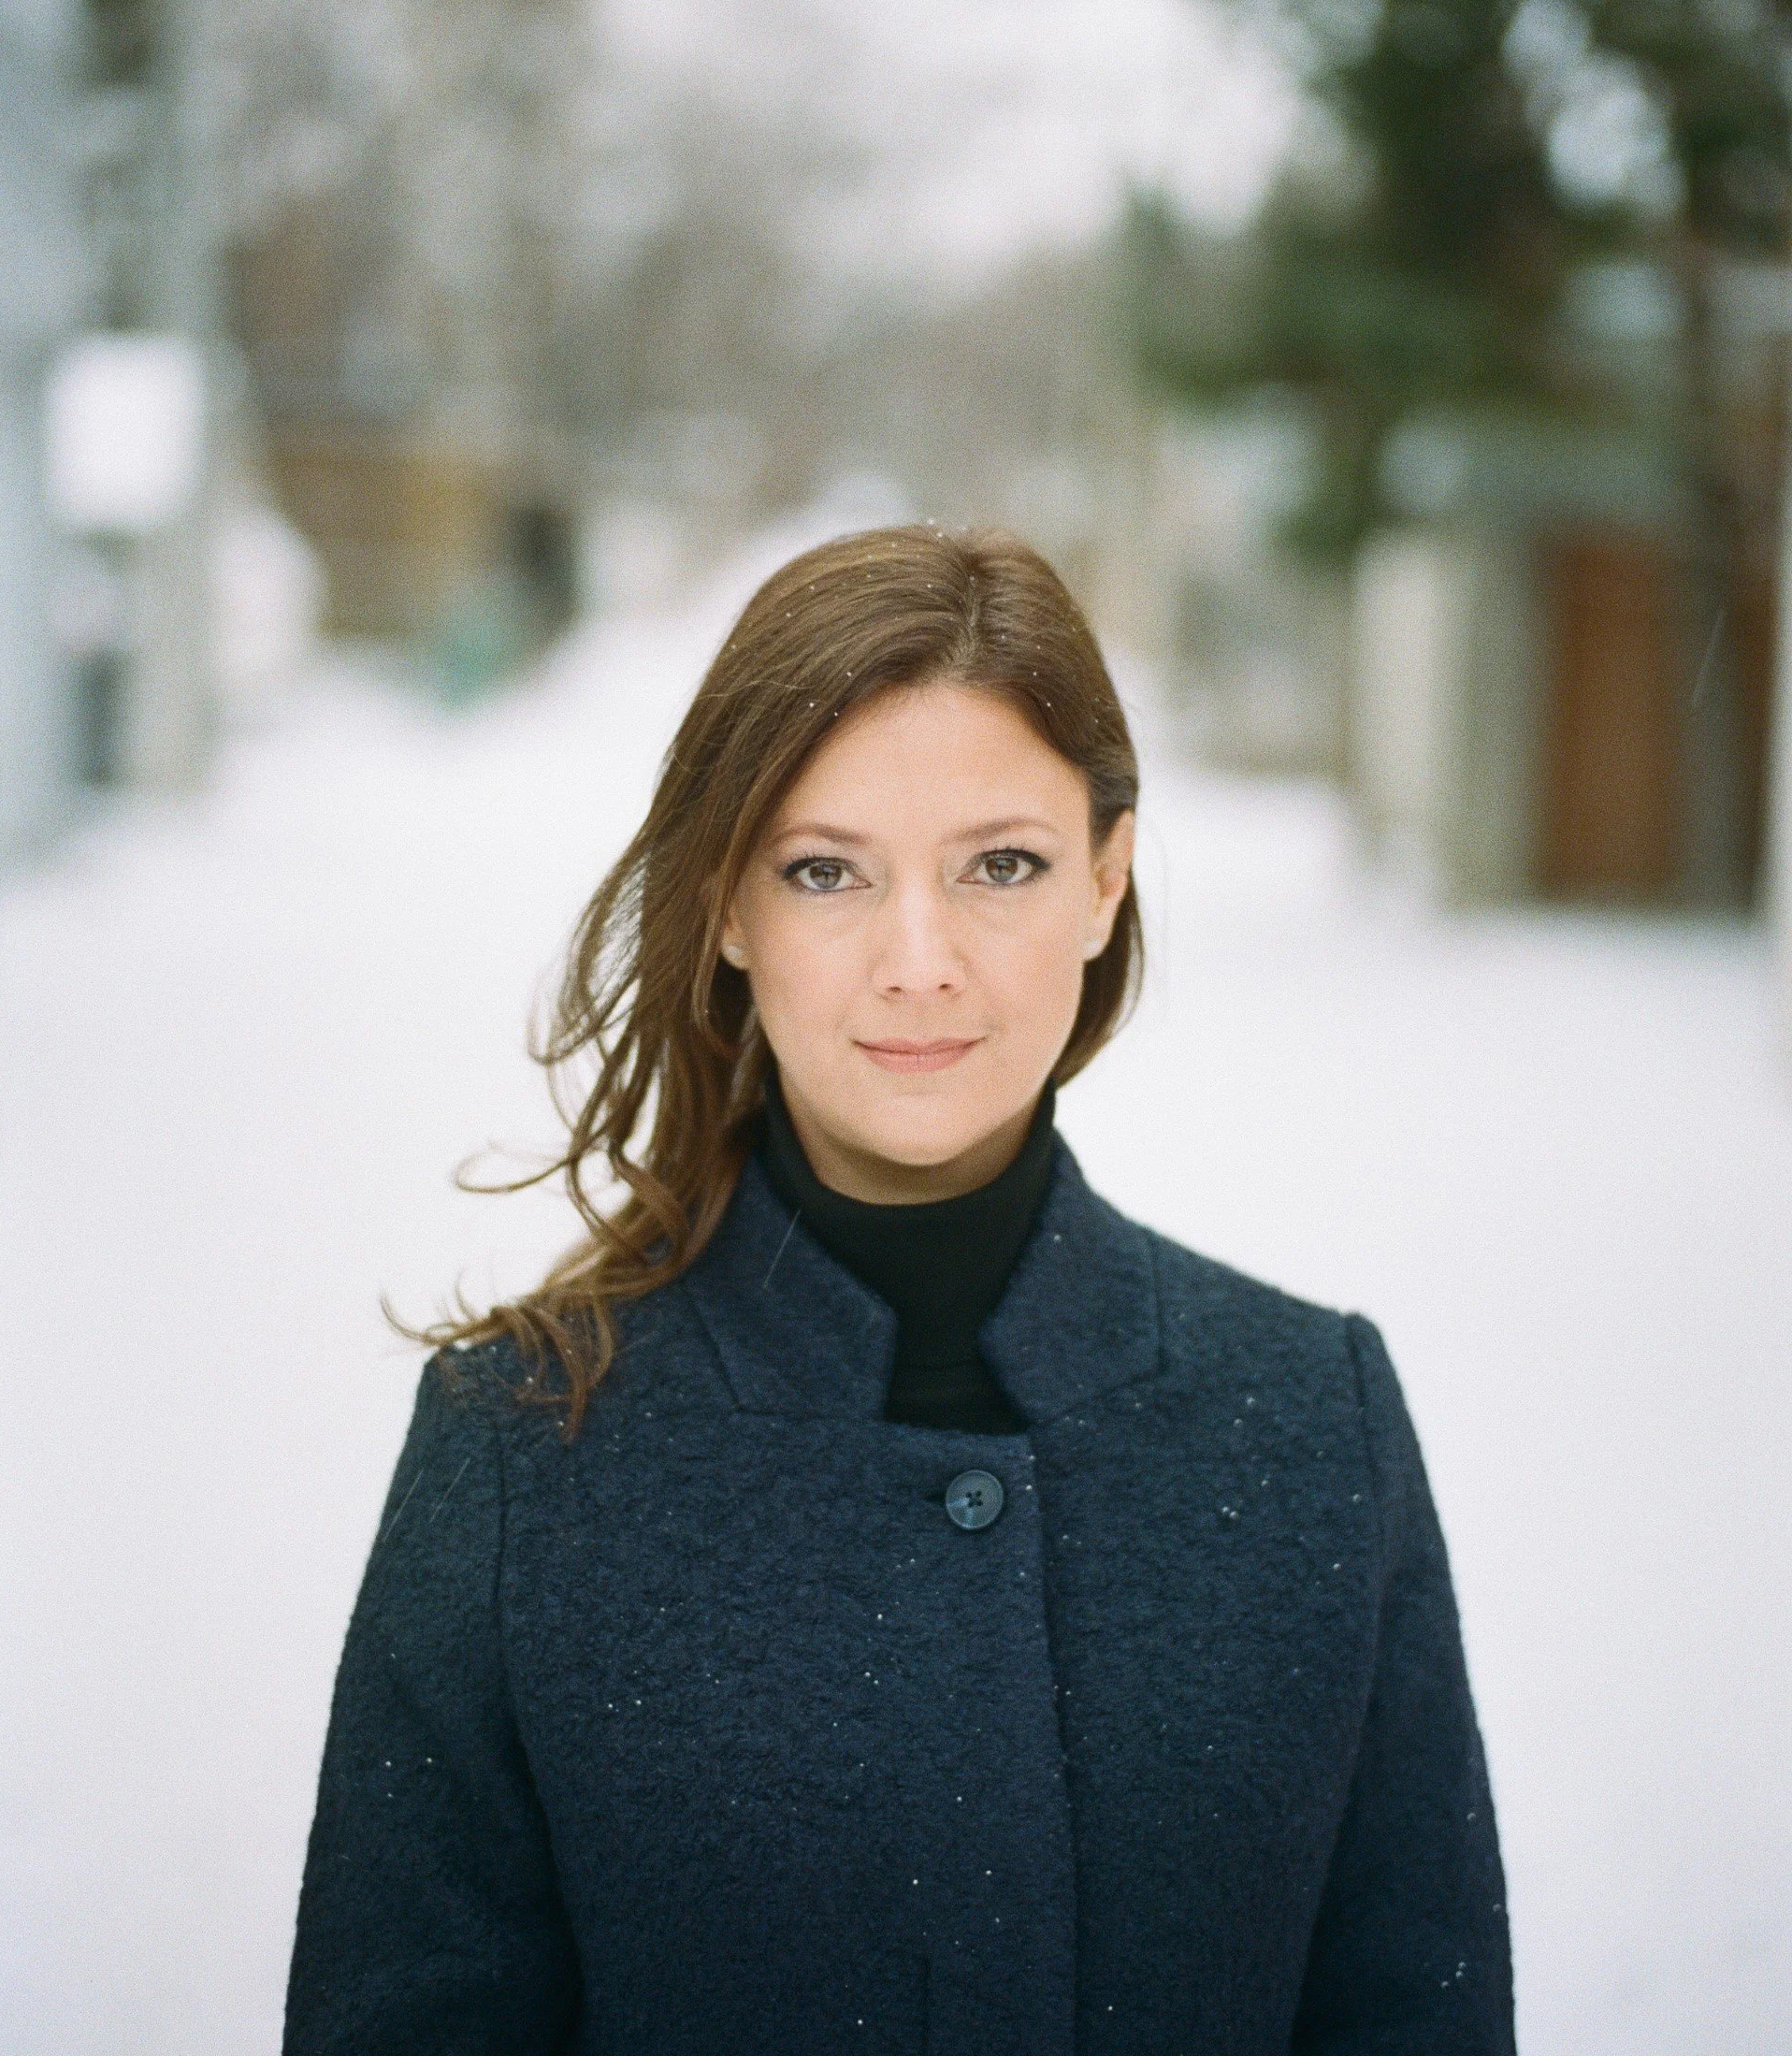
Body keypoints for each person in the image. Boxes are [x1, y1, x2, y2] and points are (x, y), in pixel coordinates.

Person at [283, 525, 1514, 2056]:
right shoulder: (523, 1445)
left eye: (1001, 865)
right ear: (729, 907)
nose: (918, 962)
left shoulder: (1313, 1425)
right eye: (826, 872)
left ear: (1106, 881)